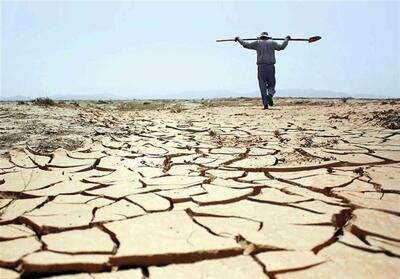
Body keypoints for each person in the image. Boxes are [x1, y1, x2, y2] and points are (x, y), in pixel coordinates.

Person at [235, 32, 290, 109]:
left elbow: (245, 44)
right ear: (268, 37)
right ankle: (270, 95)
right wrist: (286, 39)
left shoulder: (257, 43)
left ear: (261, 37)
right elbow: (281, 47)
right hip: (271, 66)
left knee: (262, 86)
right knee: (272, 84)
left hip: (261, 67)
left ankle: (265, 104)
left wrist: (238, 39)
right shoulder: (272, 42)